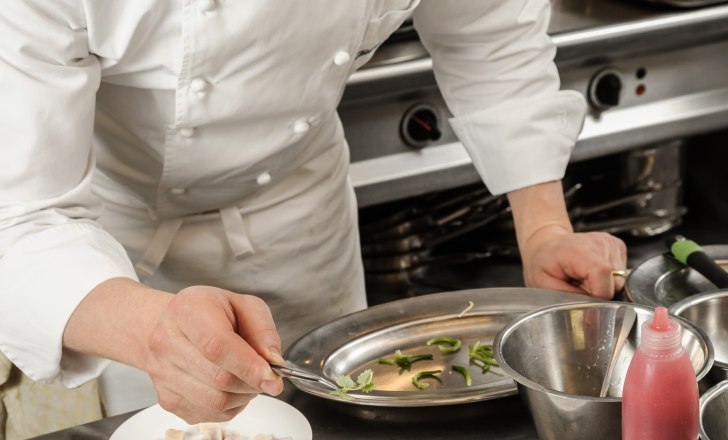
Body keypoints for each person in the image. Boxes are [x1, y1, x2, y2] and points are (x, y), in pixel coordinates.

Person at [0, 0, 626, 433]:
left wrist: (544, 228)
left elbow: (492, 35)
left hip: (302, 214)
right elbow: (17, 217)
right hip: (104, 259)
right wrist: (151, 331)